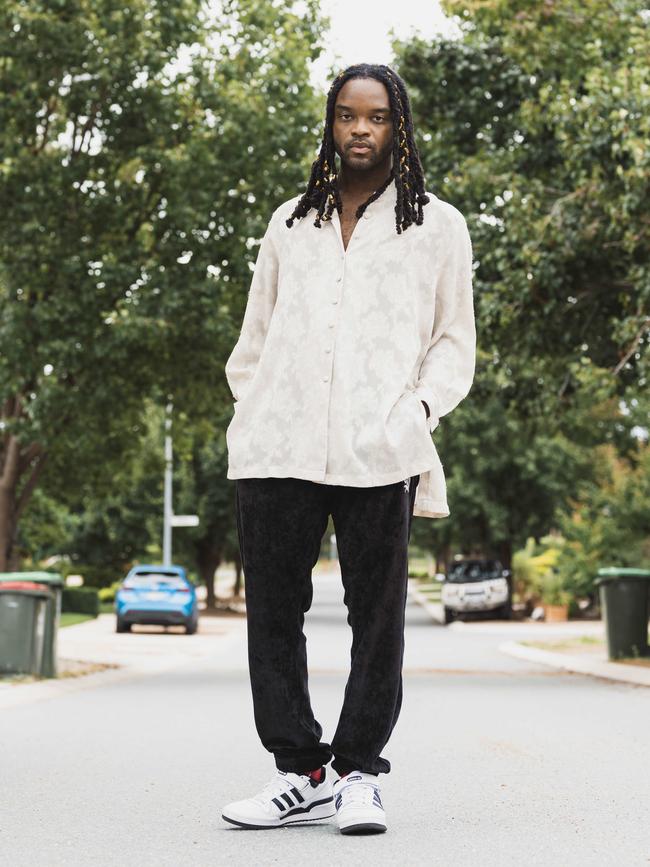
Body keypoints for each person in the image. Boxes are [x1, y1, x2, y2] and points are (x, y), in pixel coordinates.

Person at [221, 62, 476, 835]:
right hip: (277, 447)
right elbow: (253, 340)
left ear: (399, 126)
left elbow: (452, 341)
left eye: (376, 117)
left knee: (378, 614)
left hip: (380, 449)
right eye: (345, 115)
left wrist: (417, 412)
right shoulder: (288, 222)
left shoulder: (440, 226)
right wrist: (259, 408)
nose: (360, 129)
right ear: (330, 124)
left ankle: (360, 772)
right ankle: (300, 771)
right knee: (272, 612)